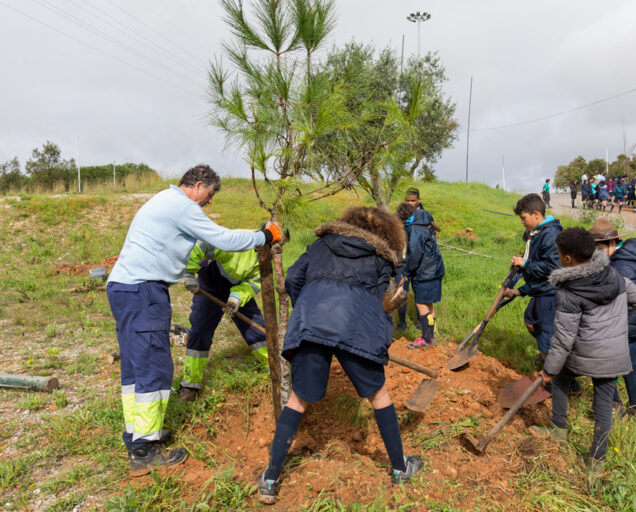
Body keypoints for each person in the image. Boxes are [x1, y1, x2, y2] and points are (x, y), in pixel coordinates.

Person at [106, 164, 281, 476]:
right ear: (198, 184)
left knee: (135, 365)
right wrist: (265, 235)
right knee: (153, 366)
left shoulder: (164, 200)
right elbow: (222, 239)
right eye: (210, 194)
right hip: (143, 289)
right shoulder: (181, 206)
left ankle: (139, 437)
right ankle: (145, 450)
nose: (210, 201)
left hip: (126, 288)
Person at [257, 207, 422, 504]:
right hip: (357, 326)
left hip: (312, 323)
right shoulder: (382, 256)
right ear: (386, 233)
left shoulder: (321, 244)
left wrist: (309, 310)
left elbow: (293, 278)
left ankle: (270, 477)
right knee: (379, 395)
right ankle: (400, 468)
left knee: (297, 398)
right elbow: (388, 299)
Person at [529, 227, 636, 491]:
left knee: (559, 380)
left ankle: (558, 429)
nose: (557, 257)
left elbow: (563, 340)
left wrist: (547, 371)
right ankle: (596, 462)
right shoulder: (612, 273)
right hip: (614, 354)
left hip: (585, 352)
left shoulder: (568, 290)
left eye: (558, 254)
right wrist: (613, 321)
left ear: (568, 259)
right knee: (603, 404)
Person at [178, 238, 268, 402]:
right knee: (200, 331)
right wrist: (189, 273)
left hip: (237, 290)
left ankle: (273, 366)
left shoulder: (266, 262)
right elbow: (201, 245)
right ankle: (190, 385)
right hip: (210, 285)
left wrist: (236, 298)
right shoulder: (237, 242)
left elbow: (252, 283)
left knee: (257, 329)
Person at [590, 218, 636, 422]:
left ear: (612, 244)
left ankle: (615, 407)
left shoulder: (618, 266)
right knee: (630, 367)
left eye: (598, 249)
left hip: (624, 324)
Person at [503, 194, 562, 366]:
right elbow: (528, 259)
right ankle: (550, 356)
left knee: (546, 333)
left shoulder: (550, 235)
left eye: (523, 218)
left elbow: (554, 268)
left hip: (550, 293)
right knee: (530, 321)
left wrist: (526, 263)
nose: (522, 222)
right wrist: (515, 284)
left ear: (536, 214)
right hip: (540, 290)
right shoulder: (537, 233)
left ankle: (554, 373)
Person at [398, 201, 445, 349]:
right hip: (435, 269)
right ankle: (430, 338)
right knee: (429, 304)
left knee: (421, 303)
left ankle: (426, 339)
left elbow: (416, 254)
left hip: (425, 271)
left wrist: (406, 271)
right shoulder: (424, 224)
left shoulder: (415, 229)